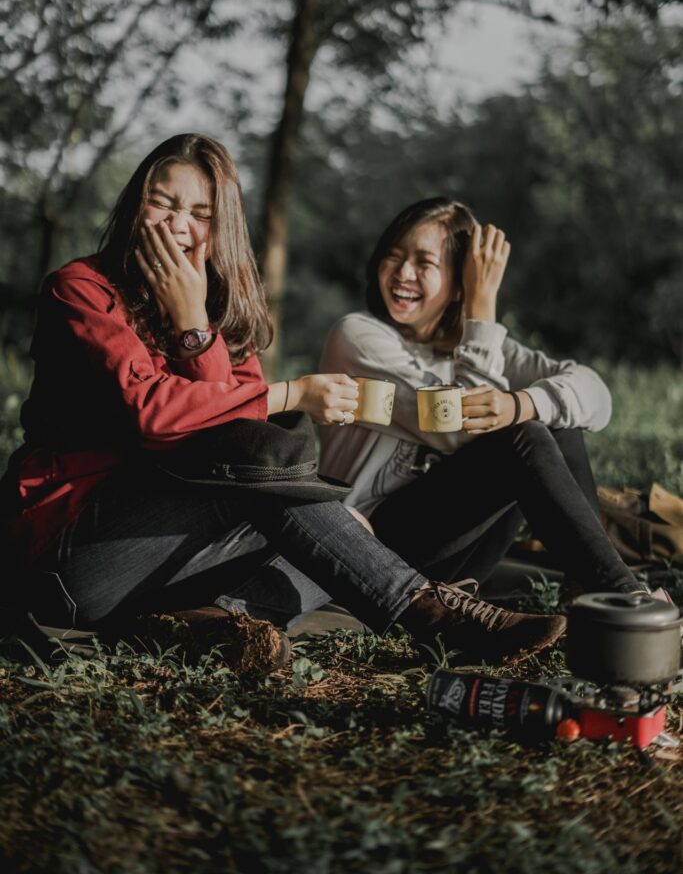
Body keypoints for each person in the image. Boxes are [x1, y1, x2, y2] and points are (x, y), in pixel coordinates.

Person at [0, 141, 566, 675]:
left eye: (199, 213)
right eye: (162, 203)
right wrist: (292, 393)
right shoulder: (82, 289)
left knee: (349, 525)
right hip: (71, 556)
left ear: (220, 229)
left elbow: (241, 431)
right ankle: (432, 613)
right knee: (279, 481)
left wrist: (194, 321)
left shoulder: (216, 308)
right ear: (135, 205)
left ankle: (211, 624)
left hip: (157, 567)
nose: (177, 225)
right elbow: (156, 414)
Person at [319, 197, 649, 600]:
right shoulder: (357, 336)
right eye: (393, 256)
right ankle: (620, 595)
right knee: (519, 435)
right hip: (369, 548)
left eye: (424, 263)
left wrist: (520, 403)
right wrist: (482, 305)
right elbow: (458, 428)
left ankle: (590, 592)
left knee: (553, 420)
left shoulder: (487, 346)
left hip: (458, 557)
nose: (403, 273)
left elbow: (596, 396)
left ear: (459, 281)